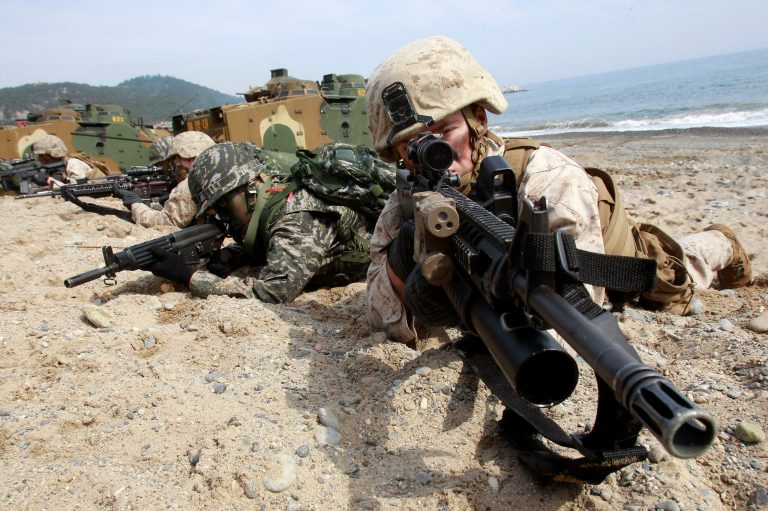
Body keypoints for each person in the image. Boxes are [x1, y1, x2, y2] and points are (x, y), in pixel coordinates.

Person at [364, 35, 752, 344]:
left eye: (445, 133)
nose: (433, 155)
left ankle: (723, 243)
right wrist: (405, 257)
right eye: (411, 146)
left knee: (674, 272)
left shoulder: (547, 178)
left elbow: (577, 312)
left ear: (478, 118)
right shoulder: (410, 199)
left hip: (617, 267)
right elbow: (377, 310)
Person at [147, 141, 372, 303]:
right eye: (216, 210)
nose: (222, 217)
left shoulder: (295, 218)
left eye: (224, 205)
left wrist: (191, 278)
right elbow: (273, 242)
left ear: (251, 186)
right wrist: (236, 255)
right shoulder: (272, 204)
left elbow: (274, 292)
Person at [113, 131, 214, 228]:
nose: (174, 168)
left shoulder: (191, 185)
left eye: (174, 161)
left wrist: (134, 203)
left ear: (187, 160)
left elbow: (165, 222)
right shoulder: (216, 173)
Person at [32, 134, 108, 185]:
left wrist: (51, 181)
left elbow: (78, 188)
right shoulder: (56, 168)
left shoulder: (74, 163)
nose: (39, 159)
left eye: (43, 156)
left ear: (54, 154)